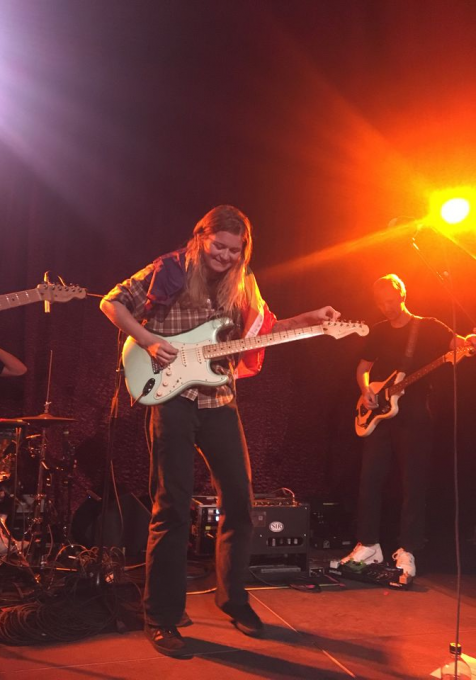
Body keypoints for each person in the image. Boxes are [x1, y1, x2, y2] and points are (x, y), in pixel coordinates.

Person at [100, 205, 341, 657]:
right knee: (171, 507)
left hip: (220, 400)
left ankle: (233, 599)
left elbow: (261, 334)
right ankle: (162, 618)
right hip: (171, 397)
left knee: (240, 500)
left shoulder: (244, 282)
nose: (227, 256)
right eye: (220, 246)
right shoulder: (167, 269)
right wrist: (149, 340)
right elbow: (110, 302)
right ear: (201, 237)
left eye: (236, 250)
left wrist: (309, 320)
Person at [341, 274, 476, 579]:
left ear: (402, 295)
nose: (387, 308)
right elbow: (363, 368)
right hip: (380, 414)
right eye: (381, 303)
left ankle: (408, 550)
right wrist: (366, 390)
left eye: (390, 301)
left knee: (412, 484)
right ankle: (369, 544)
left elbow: (458, 346)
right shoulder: (378, 331)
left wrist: (469, 343)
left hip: (415, 414)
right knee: (369, 480)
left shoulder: (428, 326)